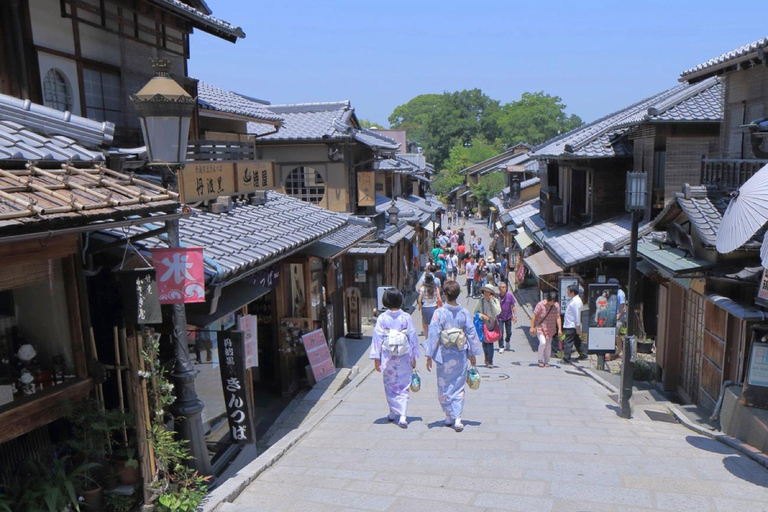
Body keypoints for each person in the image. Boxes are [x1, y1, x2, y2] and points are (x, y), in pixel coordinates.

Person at [425, 281, 482, 432]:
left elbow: (433, 335)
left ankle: (449, 415)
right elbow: (471, 333)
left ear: (444, 294)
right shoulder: (464, 312)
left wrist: (429, 355)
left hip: (444, 355)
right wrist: (472, 353)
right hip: (460, 353)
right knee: (458, 385)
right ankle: (456, 418)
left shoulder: (439, 313)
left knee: (444, 385)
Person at [369, 289, 420, 428]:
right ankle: (401, 415)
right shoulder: (406, 317)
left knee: (390, 384)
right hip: (404, 355)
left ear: (385, 301)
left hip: (388, 355)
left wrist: (376, 358)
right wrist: (414, 355)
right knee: (404, 385)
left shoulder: (382, 318)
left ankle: (393, 411)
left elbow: (377, 338)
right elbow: (413, 337)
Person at [529, 291, 562, 368]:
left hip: (550, 328)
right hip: (540, 327)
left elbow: (557, 317)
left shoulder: (556, 306)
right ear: (547, 299)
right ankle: (540, 360)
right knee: (543, 343)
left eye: (553, 302)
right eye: (550, 301)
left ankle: (546, 361)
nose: (551, 303)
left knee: (548, 345)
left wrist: (560, 329)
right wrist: (532, 327)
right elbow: (534, 315)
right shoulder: (540, 305)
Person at [474, 284, 501, 368]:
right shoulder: (480, 301)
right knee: (485, 342)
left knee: (490, 342)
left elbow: (497, 312)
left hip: (492, 323)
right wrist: (482, 315)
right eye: (485, 291)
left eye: (488, 291)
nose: (486, 293)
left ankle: (490, 361)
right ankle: (486, 356)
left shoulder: (495, 301)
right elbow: (475, 312)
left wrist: (492, 302)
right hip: (483, 324)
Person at [562, 284, 586, 364]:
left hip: (572, 325)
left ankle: (566, 359)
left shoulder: (576, 301)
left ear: (572, 292)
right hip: (572, 325)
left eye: (568, 291)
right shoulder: (575, 300)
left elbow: (577, 314)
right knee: (577, 341)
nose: (567, 292)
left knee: (568, 342)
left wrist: (578, 326)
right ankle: (583, 355)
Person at [418, 274, 441, 340]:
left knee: (425, 324)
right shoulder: (435, 288)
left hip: (425, 307)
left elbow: (419, 299)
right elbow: (439, 298)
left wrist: (419, 306)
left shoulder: (423, 288)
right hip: (434, 307)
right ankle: (434, 338)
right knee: (434, 324)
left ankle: (426, 338)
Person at [608, 278, 627, 359]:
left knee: (615, 334)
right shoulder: (614, 293)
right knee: (615, 335)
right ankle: (618, 351)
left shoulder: (620, 294)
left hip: (619, 317)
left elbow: (623, 307)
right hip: (614, 316)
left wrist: (618, 316)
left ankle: (617, 352)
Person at [497, 282, 517, 353]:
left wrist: (515, 316)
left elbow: (513, 306)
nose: (504, 288)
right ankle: (501, 346)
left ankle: (507, 341)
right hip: (500, 317)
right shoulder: (497, 297)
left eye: (505, 287)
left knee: (509, 332)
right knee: (500, 332)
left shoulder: (509, 296)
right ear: (499, 289)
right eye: (502, 287)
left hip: (508, 316)